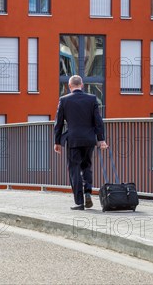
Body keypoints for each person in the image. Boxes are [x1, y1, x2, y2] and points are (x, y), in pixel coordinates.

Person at [54, 75, 108, 210]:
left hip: (73, 140)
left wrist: (57, 142)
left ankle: (79, 202)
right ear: (82, 85)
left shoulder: (64, 100)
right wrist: (101, 139)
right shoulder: (92, 99)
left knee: (74, 170)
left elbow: (58, 123)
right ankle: (88, 192)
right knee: (87, 166)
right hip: (89, 140)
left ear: (69, 86)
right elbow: (98, 121)